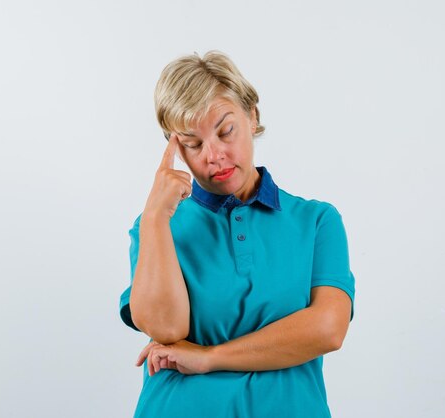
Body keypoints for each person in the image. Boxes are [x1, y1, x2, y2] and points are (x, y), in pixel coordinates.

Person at [119, 50, 356, 418]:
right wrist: (154, 216)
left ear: (252, 115)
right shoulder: (154, 228)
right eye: (193, 144)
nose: (214, 155)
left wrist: (208, 357)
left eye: (225, 131)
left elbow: (327, 328)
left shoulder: (316, 220)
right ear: (175, 147)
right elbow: (167, 328)